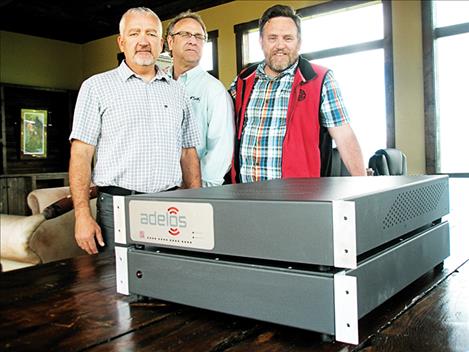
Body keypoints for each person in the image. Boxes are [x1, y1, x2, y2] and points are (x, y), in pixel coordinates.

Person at [69, 7, 201, 255]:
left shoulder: (178, 92)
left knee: (170, 281)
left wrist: (196, 208)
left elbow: (188, 153)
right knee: (114, 285)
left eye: (151, 34)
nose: (143, 41)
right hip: (116, 207)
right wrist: (82, 215)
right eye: (134, 33)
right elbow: (81, 154)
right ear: (121, 42)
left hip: (169, 207)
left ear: (161, 43)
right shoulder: (96, 87)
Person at [230, 4, 366, 184]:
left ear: (299, 42)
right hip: (245, 198)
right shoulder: (242, 80)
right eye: (272, 38)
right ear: (261, 41)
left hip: (300, 200)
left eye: (288, 38)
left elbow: (344, 136)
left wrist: (363, 184)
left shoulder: (321, 79)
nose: (280, 45)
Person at [166, 11, 234, 187]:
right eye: (185, 34)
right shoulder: (157, 84)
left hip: (194, 189)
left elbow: (221, 149)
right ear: (170, 42)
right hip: (155, 187)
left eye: (199, 36)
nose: (193, 40)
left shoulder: (214, 90)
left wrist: (199, 191)